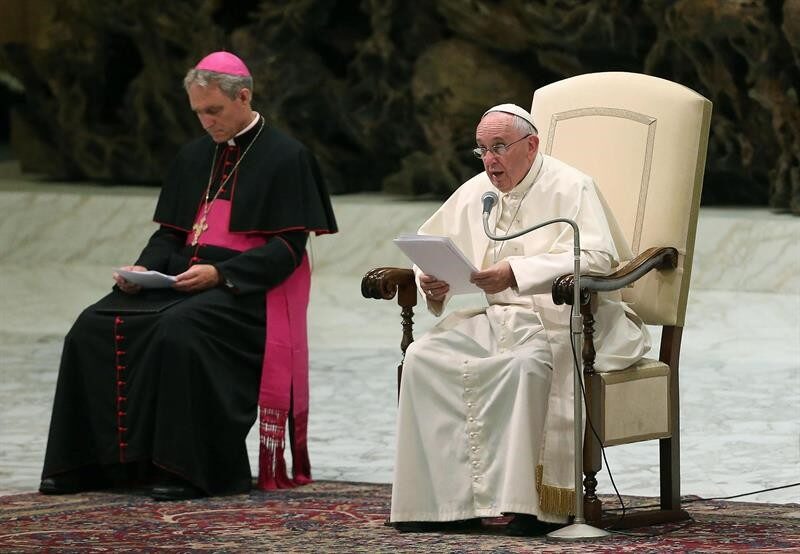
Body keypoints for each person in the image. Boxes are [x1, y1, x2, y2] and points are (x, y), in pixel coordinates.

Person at [38, 51, 338, 501]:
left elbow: (287, 250)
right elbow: (170, 235)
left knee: (179, 330)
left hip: (245, 291)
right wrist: (144, 268)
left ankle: (187, 468)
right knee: (89, 326)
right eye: (198, 112)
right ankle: (89, 464)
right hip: (178, 281)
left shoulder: (288, 157)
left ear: (243, 97)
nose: (205, 122)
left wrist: (220, 274)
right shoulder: (194, 156)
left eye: (214, 110)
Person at [389, 104, 650, 535]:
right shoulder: (479, 191)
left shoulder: (571, 186)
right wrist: (430, 281)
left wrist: (516, 272)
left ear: (531, 146)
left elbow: (600, 257)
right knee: (424, 356)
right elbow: (432, 243)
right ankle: (445, 504)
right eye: (482, 150)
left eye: (499, 147)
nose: (489, 160)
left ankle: (531, 505)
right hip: (499, 317)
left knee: (524, 366)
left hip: (562, 318)